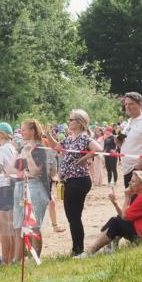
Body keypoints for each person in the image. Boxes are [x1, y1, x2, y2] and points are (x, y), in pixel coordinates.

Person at [50, 109, 103, 256]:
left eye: (71, 119)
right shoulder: (69, 138)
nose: (69, 122)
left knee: (74, 216)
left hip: (79, 180)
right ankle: (77, 248)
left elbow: (98, 149)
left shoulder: (84, 138)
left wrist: (83, 159)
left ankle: (78, 249)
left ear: (79, 122)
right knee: (72, 216)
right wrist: (48, 135)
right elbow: (57, 147)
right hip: (69, 180)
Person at [82, 171, 142, 255]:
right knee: (116, 220)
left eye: (133, 181)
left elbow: (124, 216)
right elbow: (125, 217)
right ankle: (108, 248)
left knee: (115, 222)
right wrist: (115, 203)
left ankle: (90, 252)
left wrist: (127, 197)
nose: (129, 183)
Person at [12, 119, 53, 262]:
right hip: (20, 186)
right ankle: (18, 259)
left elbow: (35, 171)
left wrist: (28, 154)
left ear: (33, 131)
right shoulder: (23, 148)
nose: (21, 132)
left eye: (24, 129)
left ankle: (35, 259)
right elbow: (15, 168)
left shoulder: (40, 148)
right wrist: (19, 152)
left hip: (35, 187)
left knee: (33, 225)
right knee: (18, 225)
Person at [0, 122, 18, 266]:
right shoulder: (12, 148)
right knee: (10, 228)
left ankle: (6, 261)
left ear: (2, 133)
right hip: (10, 188)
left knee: (4, 229)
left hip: (1, 189)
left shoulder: (1, 149)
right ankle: (10, 259)